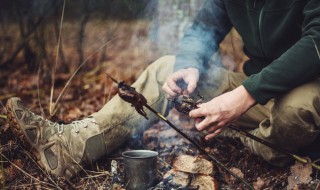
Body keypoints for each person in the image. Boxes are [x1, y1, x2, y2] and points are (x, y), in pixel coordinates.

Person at [6, 0, 320, 179]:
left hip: (308, 91)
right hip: (261, 91)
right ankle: (69, 149)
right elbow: (203, 28)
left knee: (296, 111)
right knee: (165, 68)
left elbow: (316, 40)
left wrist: (246, 95)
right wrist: (189, 64)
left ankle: (253, 141)